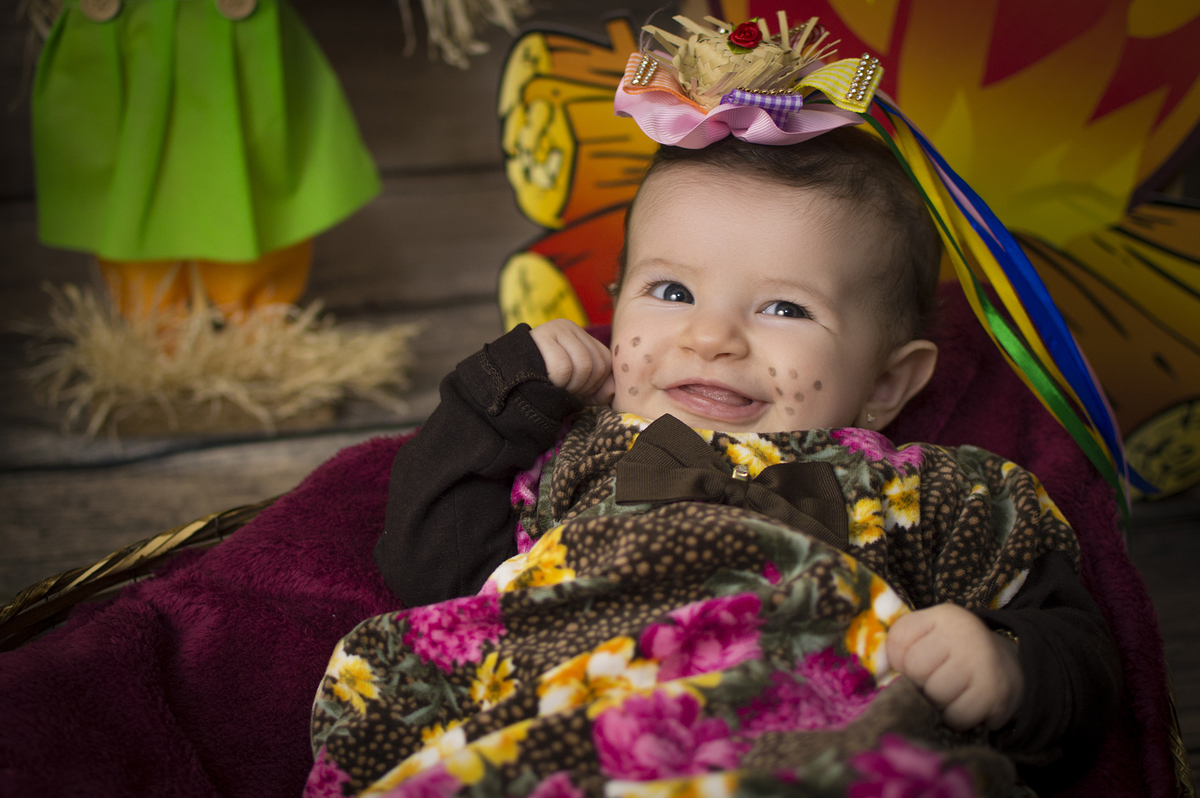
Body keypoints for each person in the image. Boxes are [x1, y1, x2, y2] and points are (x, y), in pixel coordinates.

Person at [372, 127, 1120, 785]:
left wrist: (1006, 662)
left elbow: (1085, 653)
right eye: (670, 290)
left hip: (826, 758)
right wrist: (496, 397)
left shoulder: (932, 494)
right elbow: (432, 573)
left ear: (887, 383)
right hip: (565, 752)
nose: (711, 338)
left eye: (785, 308)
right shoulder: (569, 452)